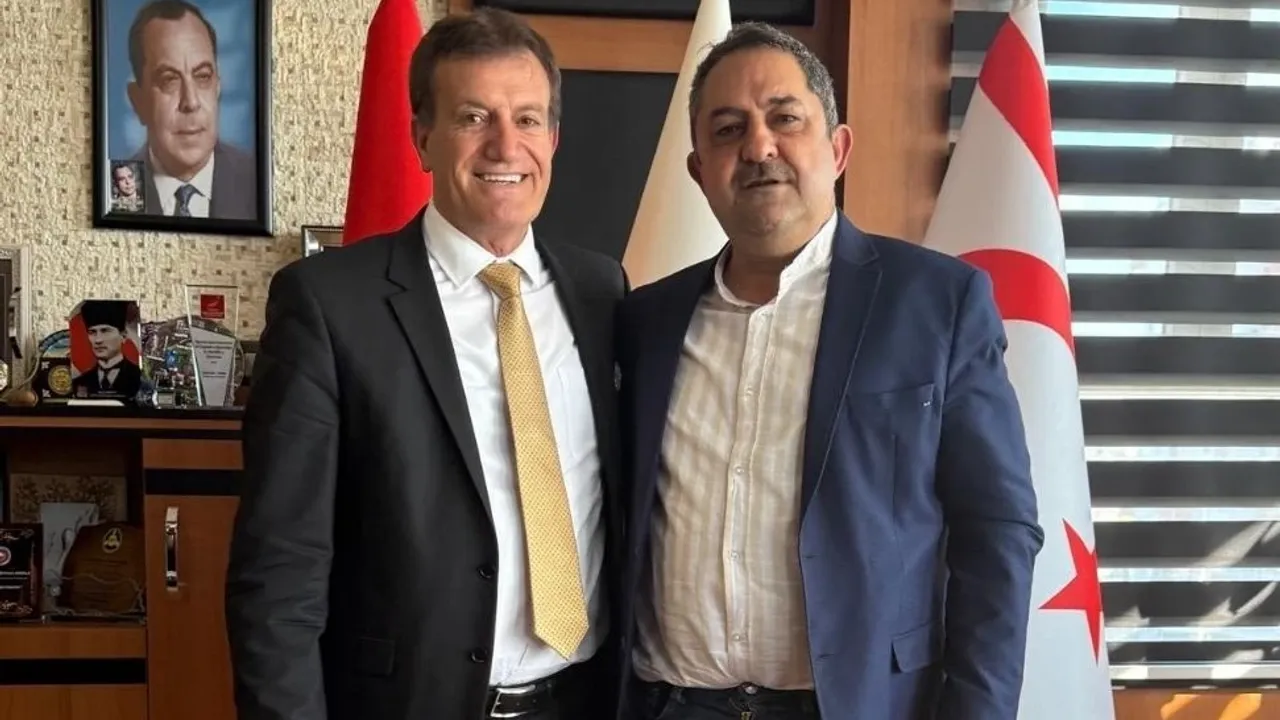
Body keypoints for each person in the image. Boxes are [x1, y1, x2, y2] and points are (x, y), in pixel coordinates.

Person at [615, 22, 1044, 720]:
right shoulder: (644, 323)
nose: (759, 147)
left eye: (785, 119)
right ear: (699, 171)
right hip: (669, 705)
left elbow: (997, 530)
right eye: (728, 130)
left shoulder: (936, 304)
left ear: (837, 149)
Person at [225, 7, 627, 720]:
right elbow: (278, 575)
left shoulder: (604, 292)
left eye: (528, 119)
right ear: (421, 138)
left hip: (586, 699)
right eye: (474, 117)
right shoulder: (330, 305)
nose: (506, 145)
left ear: (553, 139)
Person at [125, 0, 256, 219]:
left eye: (203, 77)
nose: (191, 102)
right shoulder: (115, 189)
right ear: (137, 101)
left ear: (218, 87)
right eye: (169, 80)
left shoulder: (257, 181)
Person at [71, 300, 142, 400]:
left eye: (105, 331)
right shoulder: (79, 382)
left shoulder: (140, 379)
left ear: (123, 336)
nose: (98, 340)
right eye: (92, 332)